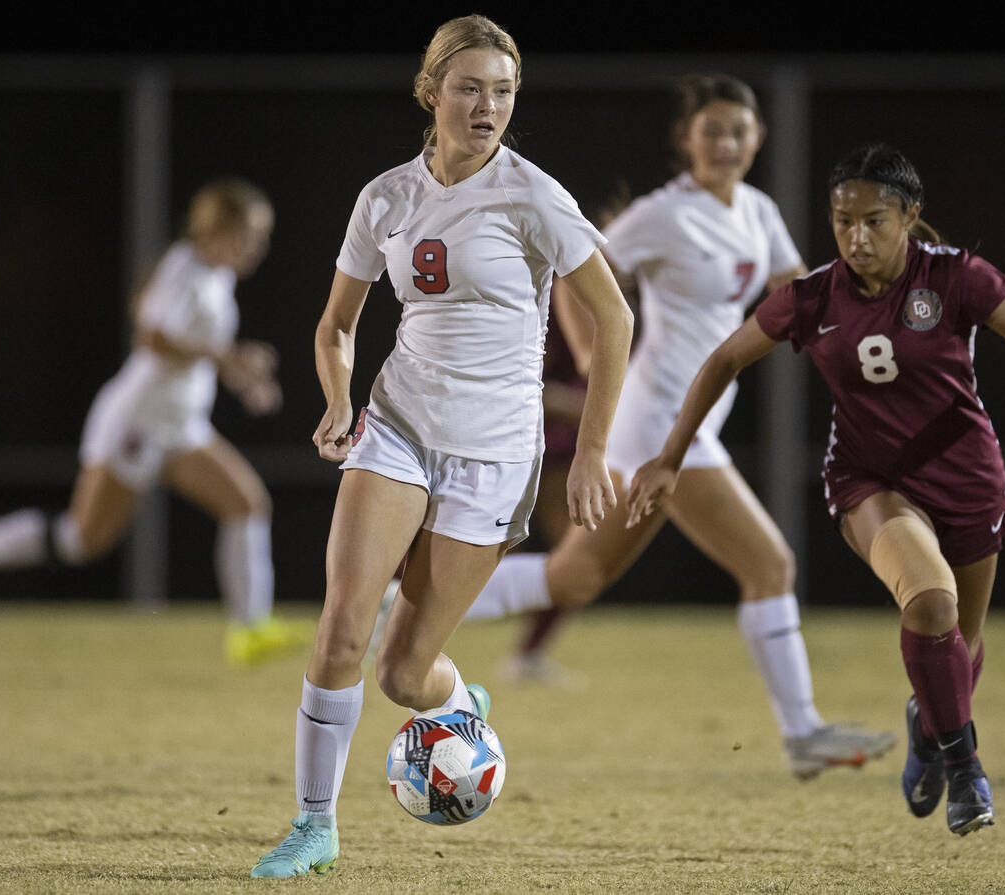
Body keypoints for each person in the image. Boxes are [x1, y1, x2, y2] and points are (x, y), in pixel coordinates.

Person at [250, 15, 633, 878]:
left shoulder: (534, 195)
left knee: (400, 672)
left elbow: (615, 316)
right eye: (469, 87)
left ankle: (458, 700)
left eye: (503, 90)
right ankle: (315, 826)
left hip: (494, 450)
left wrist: (598, 451)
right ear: (431, 93)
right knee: (342, 626)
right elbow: (336, 325)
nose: (487, 104)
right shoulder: (385, 196)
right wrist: (339, 400)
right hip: (397, 426)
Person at [626, 143, 1005, 836]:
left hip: (968, 478)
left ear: (910, 217)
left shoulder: (955, 276)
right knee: (930, 603)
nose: (856, 237)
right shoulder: (813, 296)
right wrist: (668, 456)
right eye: (842, 221)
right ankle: (965, 769)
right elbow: (724, 357)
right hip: (872, 480)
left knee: (962, 643)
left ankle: (929, 727)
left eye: (874, 221)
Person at [460, 73, 895, 777]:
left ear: (757, 138)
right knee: (770, 563)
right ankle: (804, 731)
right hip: (662, 420)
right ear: (687, 140)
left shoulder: (754, 208)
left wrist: (876, 315)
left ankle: (402, 604)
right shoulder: (665, 212)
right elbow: (582, 273)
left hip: (693, 422)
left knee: (574, 577)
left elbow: (799, 294)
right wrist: (590, 357)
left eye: (738, 130)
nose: (726, 142)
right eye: (712, 130)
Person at [0, 178, 311, 667]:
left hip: (180, 427)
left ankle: (250, 630)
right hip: (136, 424)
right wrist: (228, 356)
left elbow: (193, 352)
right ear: (216, 231)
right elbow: (152, 338)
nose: (259, 247)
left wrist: (243, 380)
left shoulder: (218, 277)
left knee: (247, 505)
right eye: (250, 235)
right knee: (81, 540)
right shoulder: (184, 267)